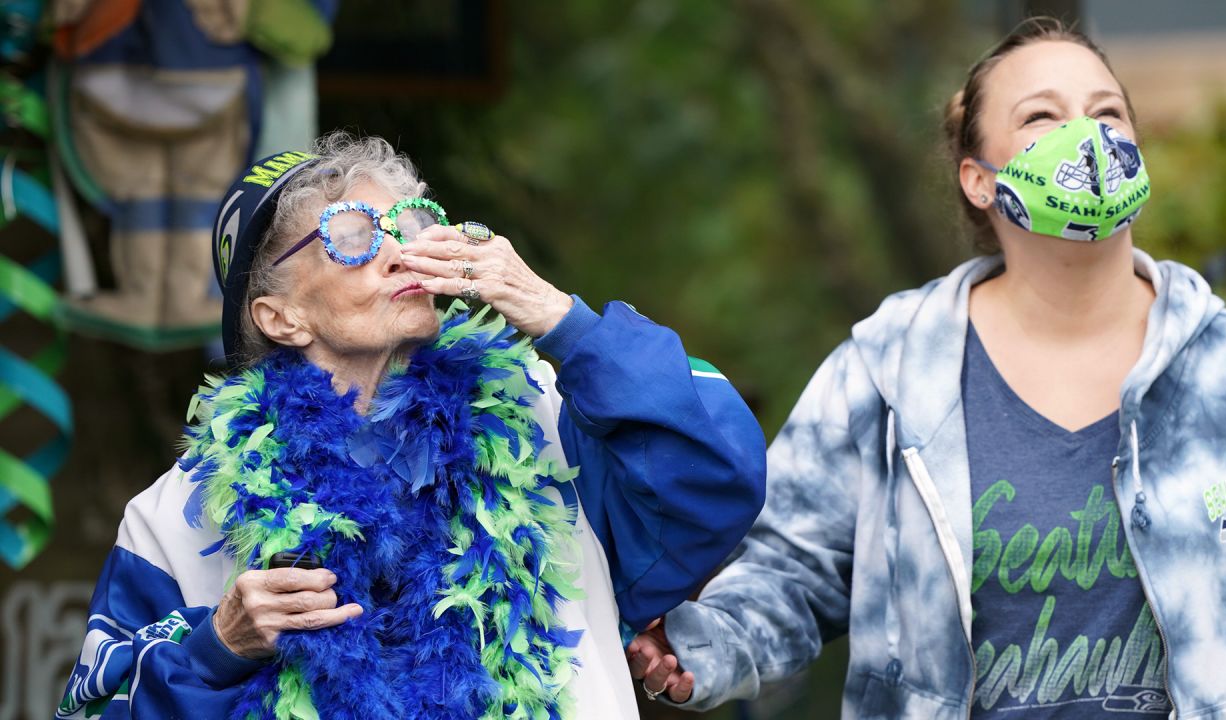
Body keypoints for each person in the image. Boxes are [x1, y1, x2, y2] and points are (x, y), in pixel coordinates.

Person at [629, 17, 1226, 719]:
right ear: (978, 179)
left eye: (1107, 112)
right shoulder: (886, 373)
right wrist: (706, 648)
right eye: (1041, 116)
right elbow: (791, 569)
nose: (1088, 137)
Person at [56, 133, 767, 720]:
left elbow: (719, 476)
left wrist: (562, 320)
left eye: (409, 225)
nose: (400, 249)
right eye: (354, 236)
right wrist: (218, 648)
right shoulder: (179, 513)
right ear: (281, 318)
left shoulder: (550, 420)